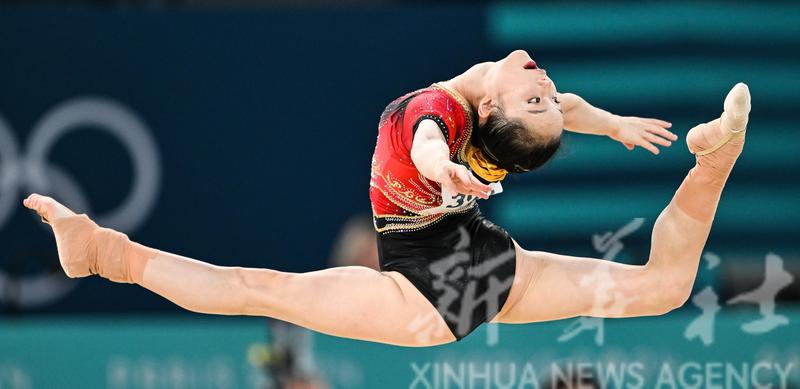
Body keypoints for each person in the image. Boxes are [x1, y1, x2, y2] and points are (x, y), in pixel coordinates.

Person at [23, 50, 751, 347]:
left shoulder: (453, 105)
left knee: (260, 291)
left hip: (428, 292)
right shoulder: (474, 102)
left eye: (540, 98)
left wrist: (448, 175)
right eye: (545, 95)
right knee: (665, 285)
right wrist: (607, 122)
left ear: (497, 105)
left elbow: (435, 141)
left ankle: (716, 156)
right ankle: (715, 163)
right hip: (475, 263)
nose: (543, 82)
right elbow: (478, 130)